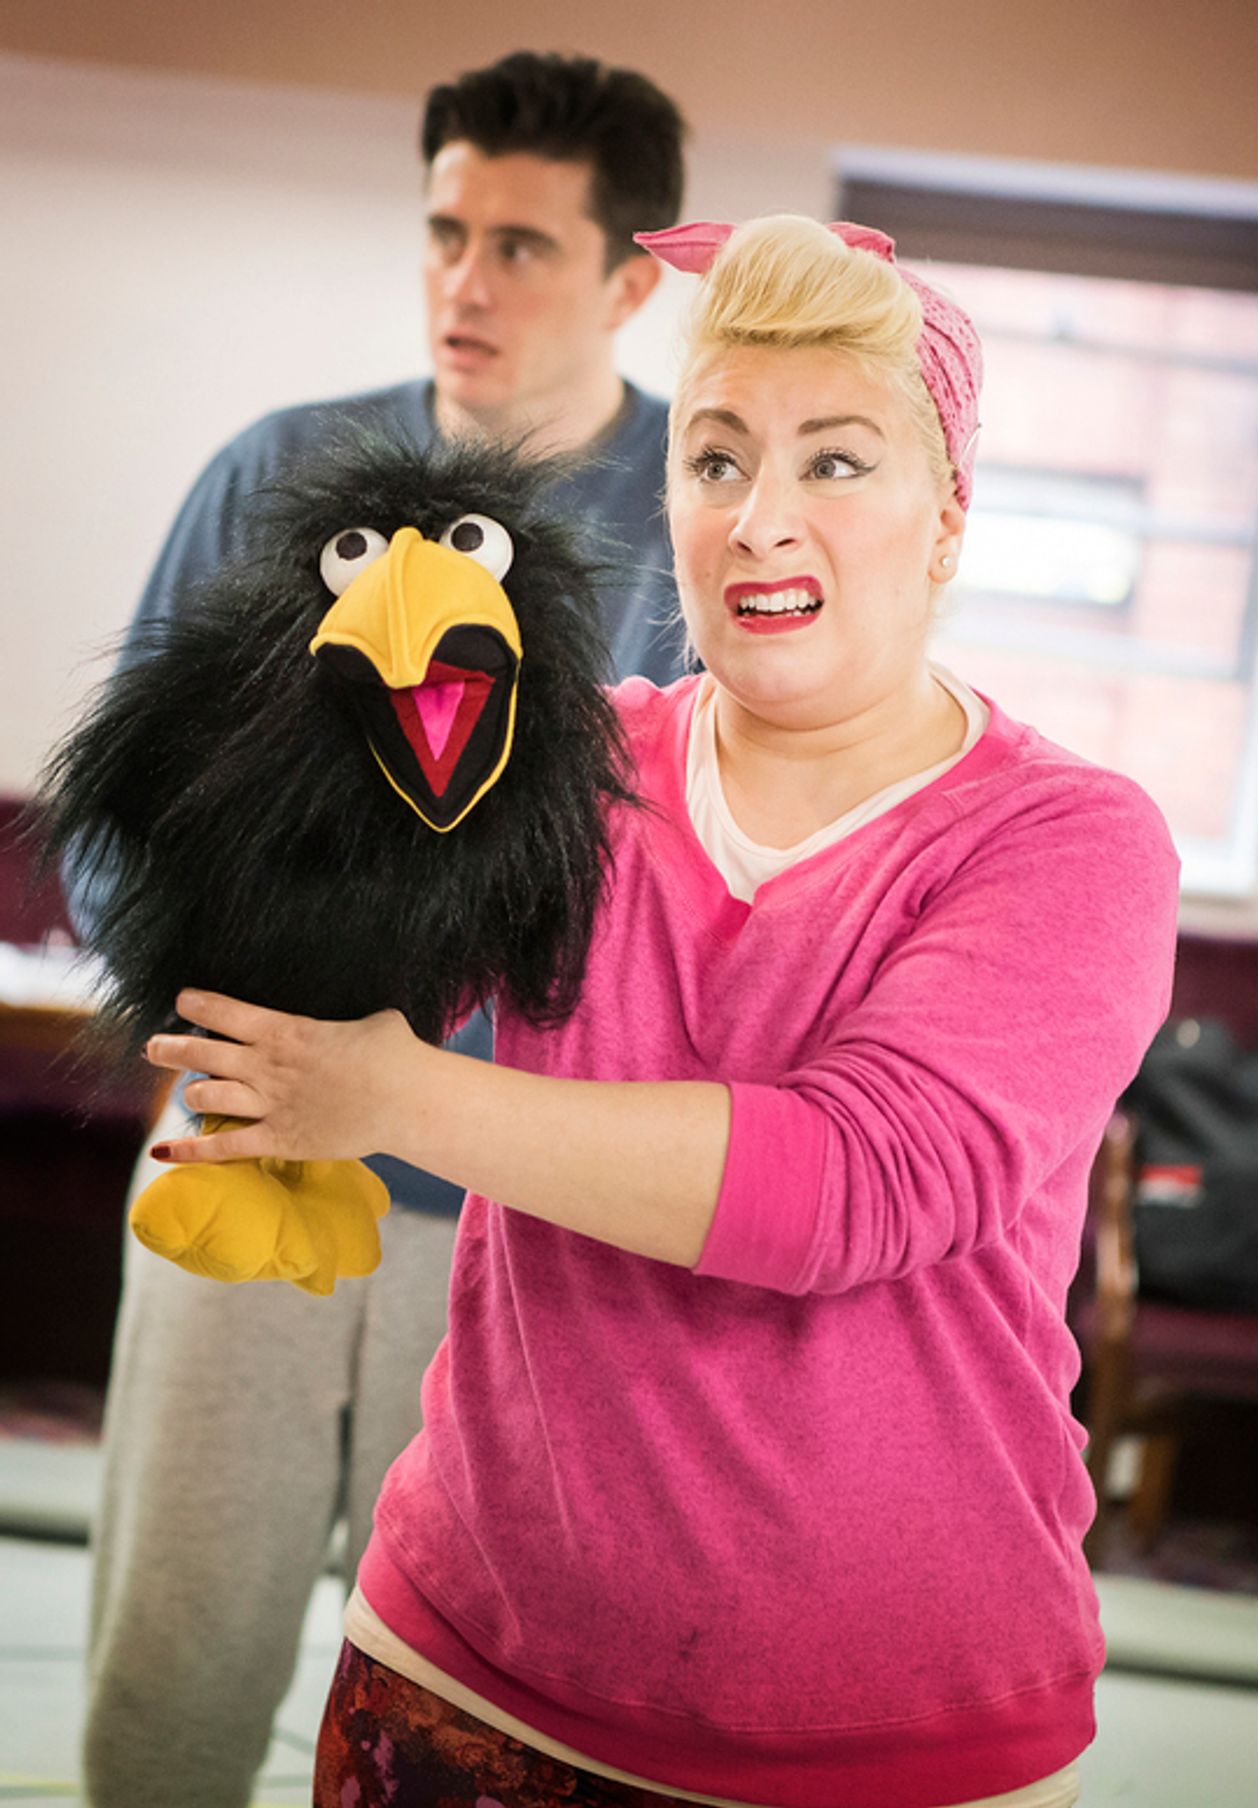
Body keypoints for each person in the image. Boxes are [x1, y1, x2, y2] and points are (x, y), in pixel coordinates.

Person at [144, 215, 1181, 1808]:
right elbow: (321, 896)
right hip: (459, 1673)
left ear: (950, 511)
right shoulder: (567, 762)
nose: (762, 521)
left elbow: (858, 1185)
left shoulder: (1066, 843)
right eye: (713, 460)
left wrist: (391, 1099)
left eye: (836, 462)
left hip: (888, 1733)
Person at [81, 51, 688, 1808]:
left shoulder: (682, 525)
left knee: (450, 1706)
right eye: (443, 231)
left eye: (522, 246)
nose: (464, 282)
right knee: (171, 1663)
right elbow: (125, 810)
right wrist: (206, 1054)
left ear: (633, 277)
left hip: (517, 1220)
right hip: (238, 1148)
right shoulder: (282, 478)